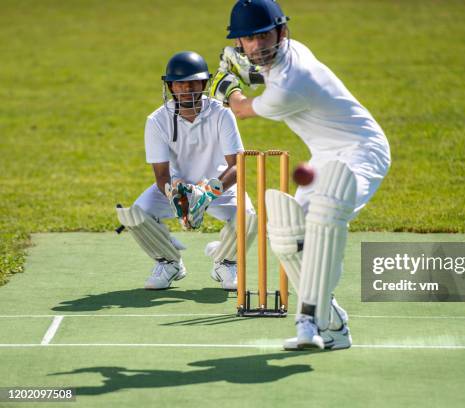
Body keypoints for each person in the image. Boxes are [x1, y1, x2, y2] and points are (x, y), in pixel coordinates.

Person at [210, 0, 391, 351]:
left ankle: (307, 323)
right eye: (248, 39)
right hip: (324, 156)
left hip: (362, 152)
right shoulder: (292, 55)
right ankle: (333, 323)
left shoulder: (293, 84)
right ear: (240, 43)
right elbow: (262, 72)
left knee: (324, 220)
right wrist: (244, 73)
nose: (258, 45)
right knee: (287, 238)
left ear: (282, 31)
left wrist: (226, 87)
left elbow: (242, 110)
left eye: (264, 35)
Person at [116, 51, 257, 291]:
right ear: (170, 86)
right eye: (180, 83)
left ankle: (225, 261)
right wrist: (178, 196)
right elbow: (161, 176)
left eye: (193, 82)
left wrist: (208, 192)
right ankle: (169, 262)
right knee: (136, 214)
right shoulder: (157, 120)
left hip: (219, 185)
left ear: (204, 83)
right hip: (175, 186)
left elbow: (238, 165)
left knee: (250, 218)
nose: (186, 88)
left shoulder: (221, 114)